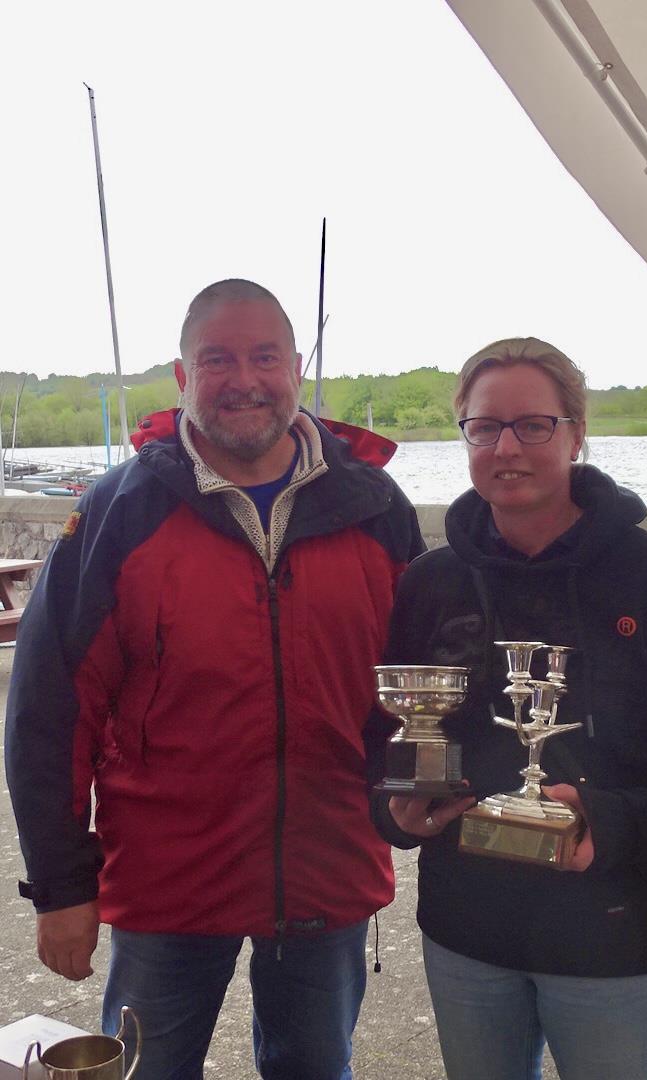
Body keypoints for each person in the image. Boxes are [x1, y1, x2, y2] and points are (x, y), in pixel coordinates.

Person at [5, 278, 424, 1080]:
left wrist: (408, 804)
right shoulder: (117, 514)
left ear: (295, 367)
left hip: (326, 869)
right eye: (217, 359)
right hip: (168, 876)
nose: (243, 379)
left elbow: (408, 690)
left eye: (264, 356)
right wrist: (61, 887)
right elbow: (49, 712)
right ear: (182, 377)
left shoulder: (373, 506)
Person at [370, 337, 647, 1080]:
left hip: (612, 937)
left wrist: (612, 820)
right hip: (464, 933)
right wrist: (389, 806)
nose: (506, 446)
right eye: (484, 427)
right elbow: (384, 734)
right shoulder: (430, 583)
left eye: (534, 425)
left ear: (576, 434)